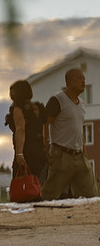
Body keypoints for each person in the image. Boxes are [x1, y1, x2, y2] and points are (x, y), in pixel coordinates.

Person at [41, 68, 98, 200]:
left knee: (91, 195)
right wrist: (46, 148)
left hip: (79, 156)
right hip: (61, 155)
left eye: (84, 78)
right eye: (79, 78)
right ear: (68, 81)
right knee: (50, 196)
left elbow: (79, 127)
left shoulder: (82, 103)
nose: (83, 80)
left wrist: (83, 147)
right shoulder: (57, 99)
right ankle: (40, 217)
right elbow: (44, 123)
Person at [5, 80, 48, 183]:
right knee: (38, 183)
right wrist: (44, 148)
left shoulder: (18, 108)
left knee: (22, 183)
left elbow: (20, 130)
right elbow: (42, 131)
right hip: (39, 150)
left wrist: (19, 153)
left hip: (26, 150)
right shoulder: (38, 108)